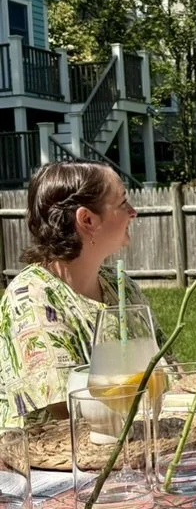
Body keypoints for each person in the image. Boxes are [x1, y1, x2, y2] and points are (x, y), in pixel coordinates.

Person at [0, 162, 158, 429]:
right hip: (54, 463)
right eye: (122, 202)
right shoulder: (32, 297)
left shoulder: (120, 286)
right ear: (87, 219)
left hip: (133, 445)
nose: (133, 212)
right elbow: (66, 412)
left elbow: (164, 371)